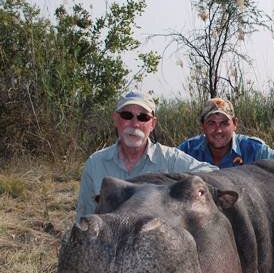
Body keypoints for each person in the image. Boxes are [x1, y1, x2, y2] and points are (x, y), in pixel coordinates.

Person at [75, 91, 217, 222]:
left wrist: (175, 186)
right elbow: (84, 219)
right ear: (115, 119)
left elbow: (214, 174)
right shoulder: (95, 163)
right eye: (127, 115)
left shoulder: (170, 159)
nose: (135, 124)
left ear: (152, 124)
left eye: (143, 117)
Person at [178, 97, 274, 168]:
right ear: (202, 125)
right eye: (211, 123)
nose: (218, 130)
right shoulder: (187, 150)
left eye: (224, 123)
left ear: (235, 124)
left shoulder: (254, 150)